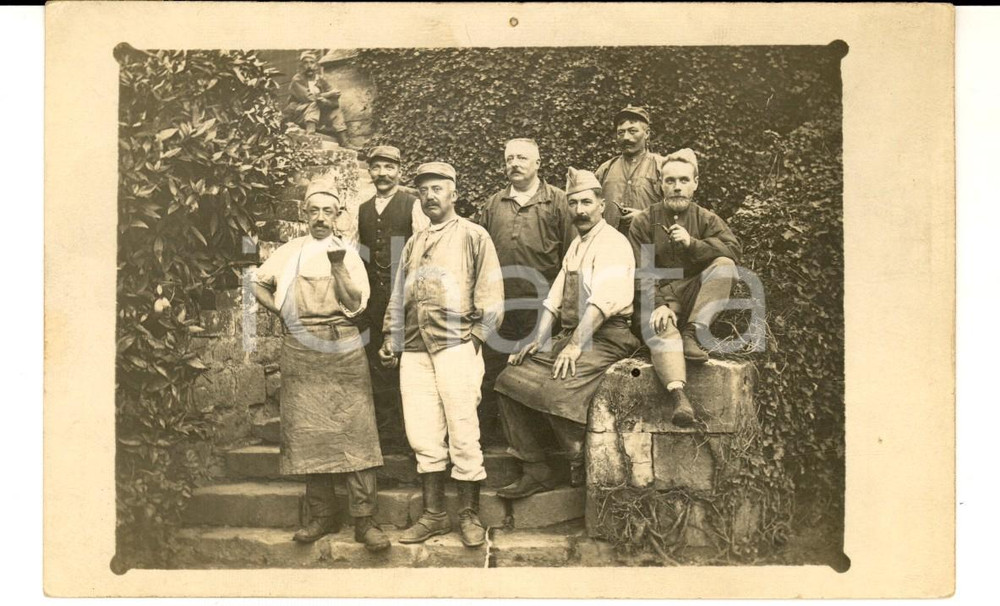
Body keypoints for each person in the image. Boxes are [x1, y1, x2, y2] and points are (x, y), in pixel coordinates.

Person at [251, 179, 390, 552]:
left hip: (343, 345)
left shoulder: (350, 253)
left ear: (338, 216)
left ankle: (365, 520)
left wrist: (338, 266)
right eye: (313, 211)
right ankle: (321, 516)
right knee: (310, 433)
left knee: (357, 431)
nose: (320, 218)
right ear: (304, 214)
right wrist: (280, 308)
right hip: (300, 348)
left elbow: (357, 304)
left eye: (327, 211)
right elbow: (257, 282)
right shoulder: (290, 251)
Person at [492, 168, 641, 498]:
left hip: (609, 338)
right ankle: (536, 468)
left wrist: (574, 346)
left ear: (602, 205)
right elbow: (555, 299)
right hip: (577, 334)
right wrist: (538, 339)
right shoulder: (577, 244)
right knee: (508, 378)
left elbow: (603, 303)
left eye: (587, 202)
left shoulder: (614, 244)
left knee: (558, 391)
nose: (580, 211)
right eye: (573, 204)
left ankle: (578, 462)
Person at [378, 162, 504, 548]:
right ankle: (434, 515)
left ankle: (468, 514)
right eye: (424, 191)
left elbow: (491, 293)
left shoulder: (473, 235)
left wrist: (477, 338)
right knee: (422, 433)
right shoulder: (414, 242)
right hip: (415, 347)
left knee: (463, 430)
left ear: (453, 193)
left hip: (456, 345)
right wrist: (391, 337)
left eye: (437, 189)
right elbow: (399, 293)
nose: (430, 196)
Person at [627, 148, 741, 426]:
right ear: (660, 184)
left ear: (695, 183)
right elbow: (641, 270)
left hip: (693, 296)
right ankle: (679, 397)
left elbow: (733, 251)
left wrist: (694, 245)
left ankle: (693, 331)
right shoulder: (644, 221)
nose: (677, 187)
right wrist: (660, 305)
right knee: (661, 327)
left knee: (725, 265)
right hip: (658, 296)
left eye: (683, 180)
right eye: (670, 181)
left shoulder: (706, 218)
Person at [475, 138, 575, 444]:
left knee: (534, 374)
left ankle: (539, 448)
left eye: (522, 158)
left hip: (542, 306)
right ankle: (496, 441)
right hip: (500, 306)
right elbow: (479, 257)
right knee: (493, 369)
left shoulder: (558, 202)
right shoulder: (493, 204)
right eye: (509, 159)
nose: (514, 164)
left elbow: (572, 256)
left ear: (537, 164)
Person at [356, 145, 429, 454]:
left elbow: (423, 252)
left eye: (389, 167)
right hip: (373, 301)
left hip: (404, 299)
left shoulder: (411, 205)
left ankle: (411, 438)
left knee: (408, 366)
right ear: (370, 172)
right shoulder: (362, 209)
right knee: (377, 366)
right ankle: (385, 438)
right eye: (376, 167)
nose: (383, 174)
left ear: (399, 170)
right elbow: (360, 255)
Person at [594, 106, 665, 234]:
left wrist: (646, 218)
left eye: (633, 131)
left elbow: (677, 210)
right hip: (612, 243)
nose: (626, 137)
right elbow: (591, 207)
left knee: (647, 255)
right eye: (621, 132)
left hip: (647, 244)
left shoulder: (662, 167)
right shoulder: (605, 169)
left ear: (647, 133)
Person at [283, 50, 351, 148]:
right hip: (299, 114)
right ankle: (310, 134)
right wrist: (328, 94)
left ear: (316, 65)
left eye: (312, 62)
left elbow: (334, 97)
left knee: (335, 109)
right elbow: (309, 98)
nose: (309, 66)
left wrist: (327, 100)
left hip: (316, 114)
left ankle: (344, 141)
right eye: (305, 63)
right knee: (315, 103)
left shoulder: (320, 79)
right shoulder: (297, 80)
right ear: (301, 65)